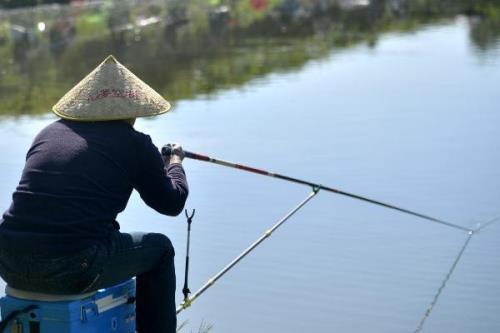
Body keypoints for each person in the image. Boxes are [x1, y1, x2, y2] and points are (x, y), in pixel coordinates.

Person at [0, 55, 188, 333]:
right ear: (133, 109)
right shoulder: (134, 143)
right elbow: (172, 202)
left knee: (103, 235)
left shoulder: (48, 133)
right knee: (160, 249)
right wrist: (174, 164)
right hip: (71, 267)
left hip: (8, 260)